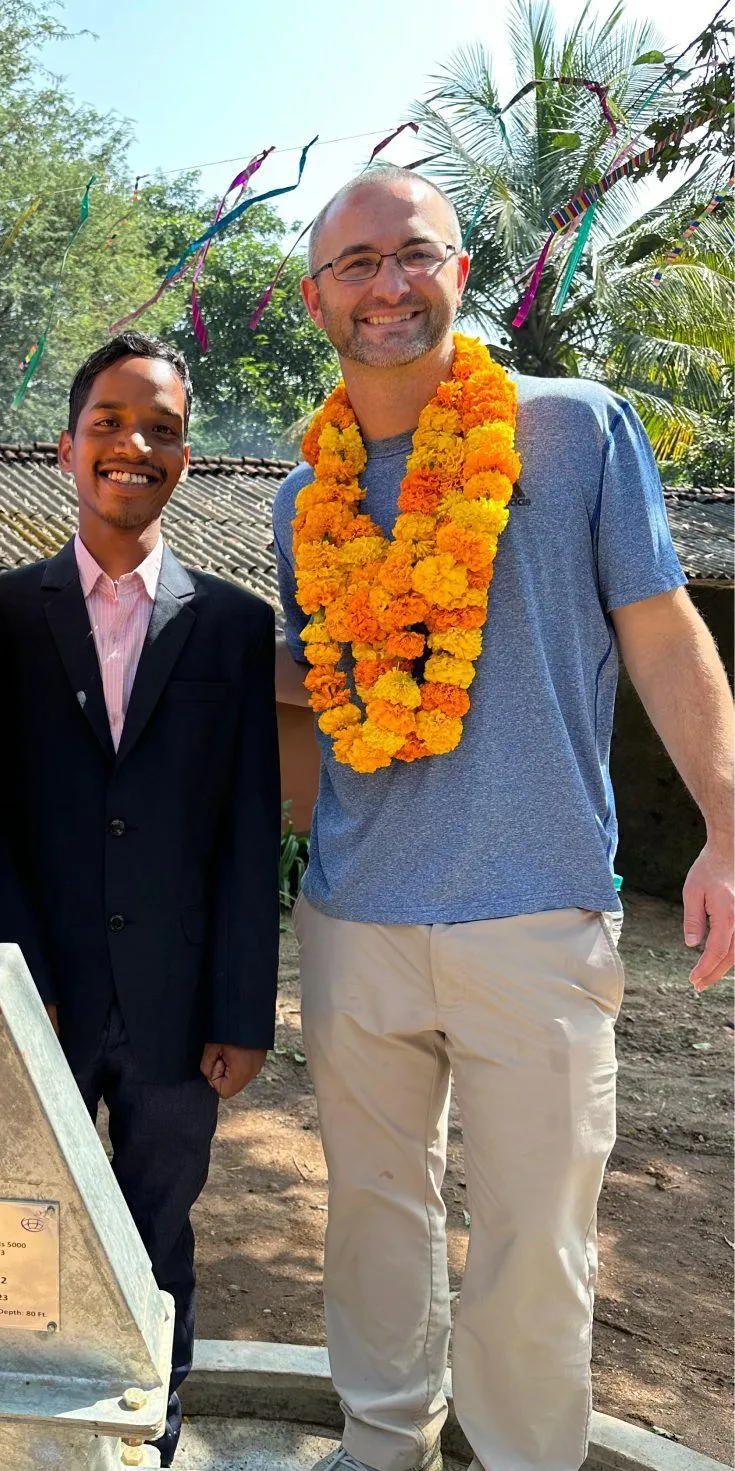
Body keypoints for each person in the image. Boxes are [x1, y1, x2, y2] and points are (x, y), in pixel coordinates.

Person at [271, 165, 734, 1471]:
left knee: (535, 1239)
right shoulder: (297, 493)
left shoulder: (570, 429)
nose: (384, 285)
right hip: (353, 921)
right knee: (369, 1216)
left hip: (533, 916)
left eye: (411, 253)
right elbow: (325, 695)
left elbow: (657, 630)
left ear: (459, 269)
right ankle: (380, 1443)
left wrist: (724, 822)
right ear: (317, 298)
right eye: (353, 264)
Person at [0, 332, 281, 1466]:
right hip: (36, 996)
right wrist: (14, 977)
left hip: (178, 1008)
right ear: (68, 446)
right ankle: (35, 1439)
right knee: (27, 1227)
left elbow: (248, 826)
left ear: (185, 457)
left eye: (160, 429)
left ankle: (145, 1432)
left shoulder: (234, 625)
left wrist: (243, 1010)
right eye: (109, 423)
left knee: (154, 1236)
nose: (132, 446)